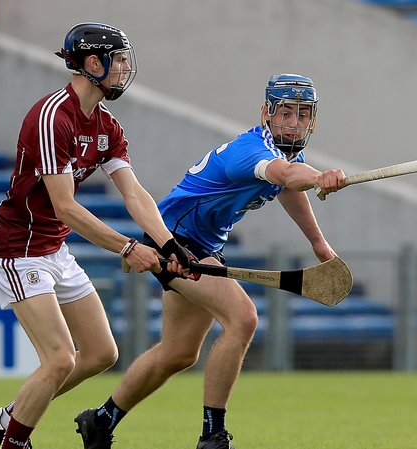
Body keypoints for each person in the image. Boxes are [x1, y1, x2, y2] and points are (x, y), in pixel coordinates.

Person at [75, 74, 346, 449]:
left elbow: (288, 184)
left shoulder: (286, 155)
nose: (295, 123)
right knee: (244, 318)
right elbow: (286, 176)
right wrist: (321, 177)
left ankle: (101, 420)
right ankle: (212, 435)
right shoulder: (252, 151)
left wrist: (319, 244)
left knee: (178, 353)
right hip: (174, 239)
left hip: (203, 245)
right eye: (286, 113)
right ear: (267, 113)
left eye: (303, 115)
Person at [0, 22, 195, 449]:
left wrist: (168, 243)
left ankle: (9, 417)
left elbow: (133, 192)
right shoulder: (52, 117)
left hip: (53, 249)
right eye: (120, 59)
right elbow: (66, 206)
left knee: (100, 354)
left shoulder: (107, 125)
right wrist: (129, 247)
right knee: (59, 358)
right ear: (93, 63)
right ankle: (14, 442)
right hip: (18, 250)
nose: (126, 67)